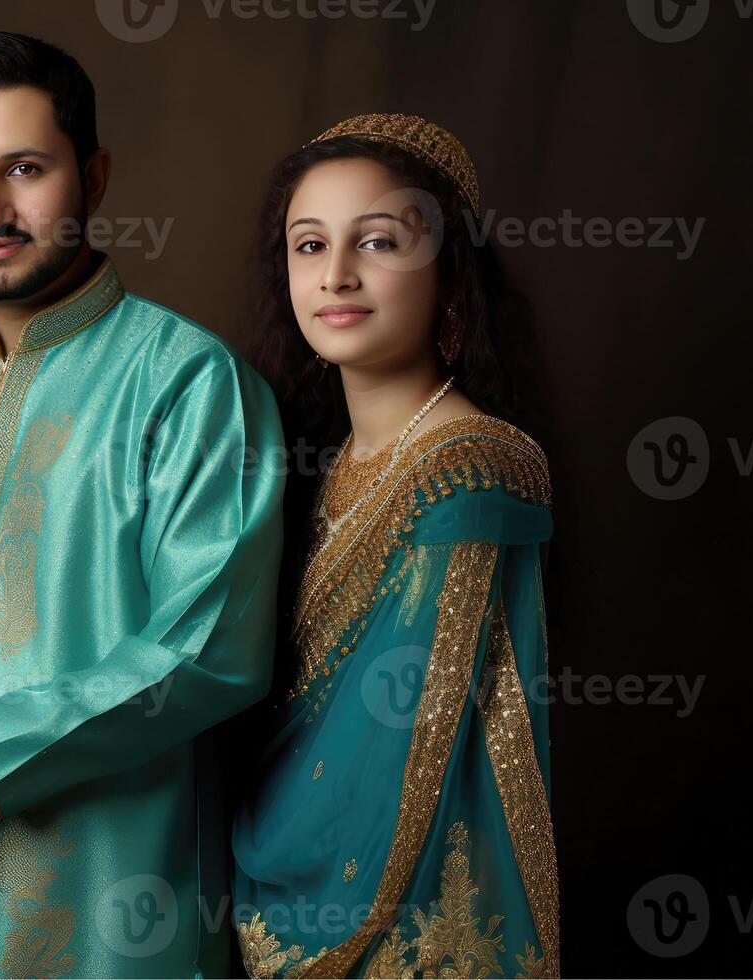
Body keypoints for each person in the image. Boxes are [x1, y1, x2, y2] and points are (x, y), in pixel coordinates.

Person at [0, 32, 286, 977]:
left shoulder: (191, 385)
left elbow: (211, 649)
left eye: (26, 169)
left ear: (95, 174)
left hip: (116, 904)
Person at [231, 113, 560, 978]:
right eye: (309, 246)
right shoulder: (327, 460)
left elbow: (404, 748)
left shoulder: (472, 468)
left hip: (390, 916)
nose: (335, 274)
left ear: (451, 275)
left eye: (377, 241)